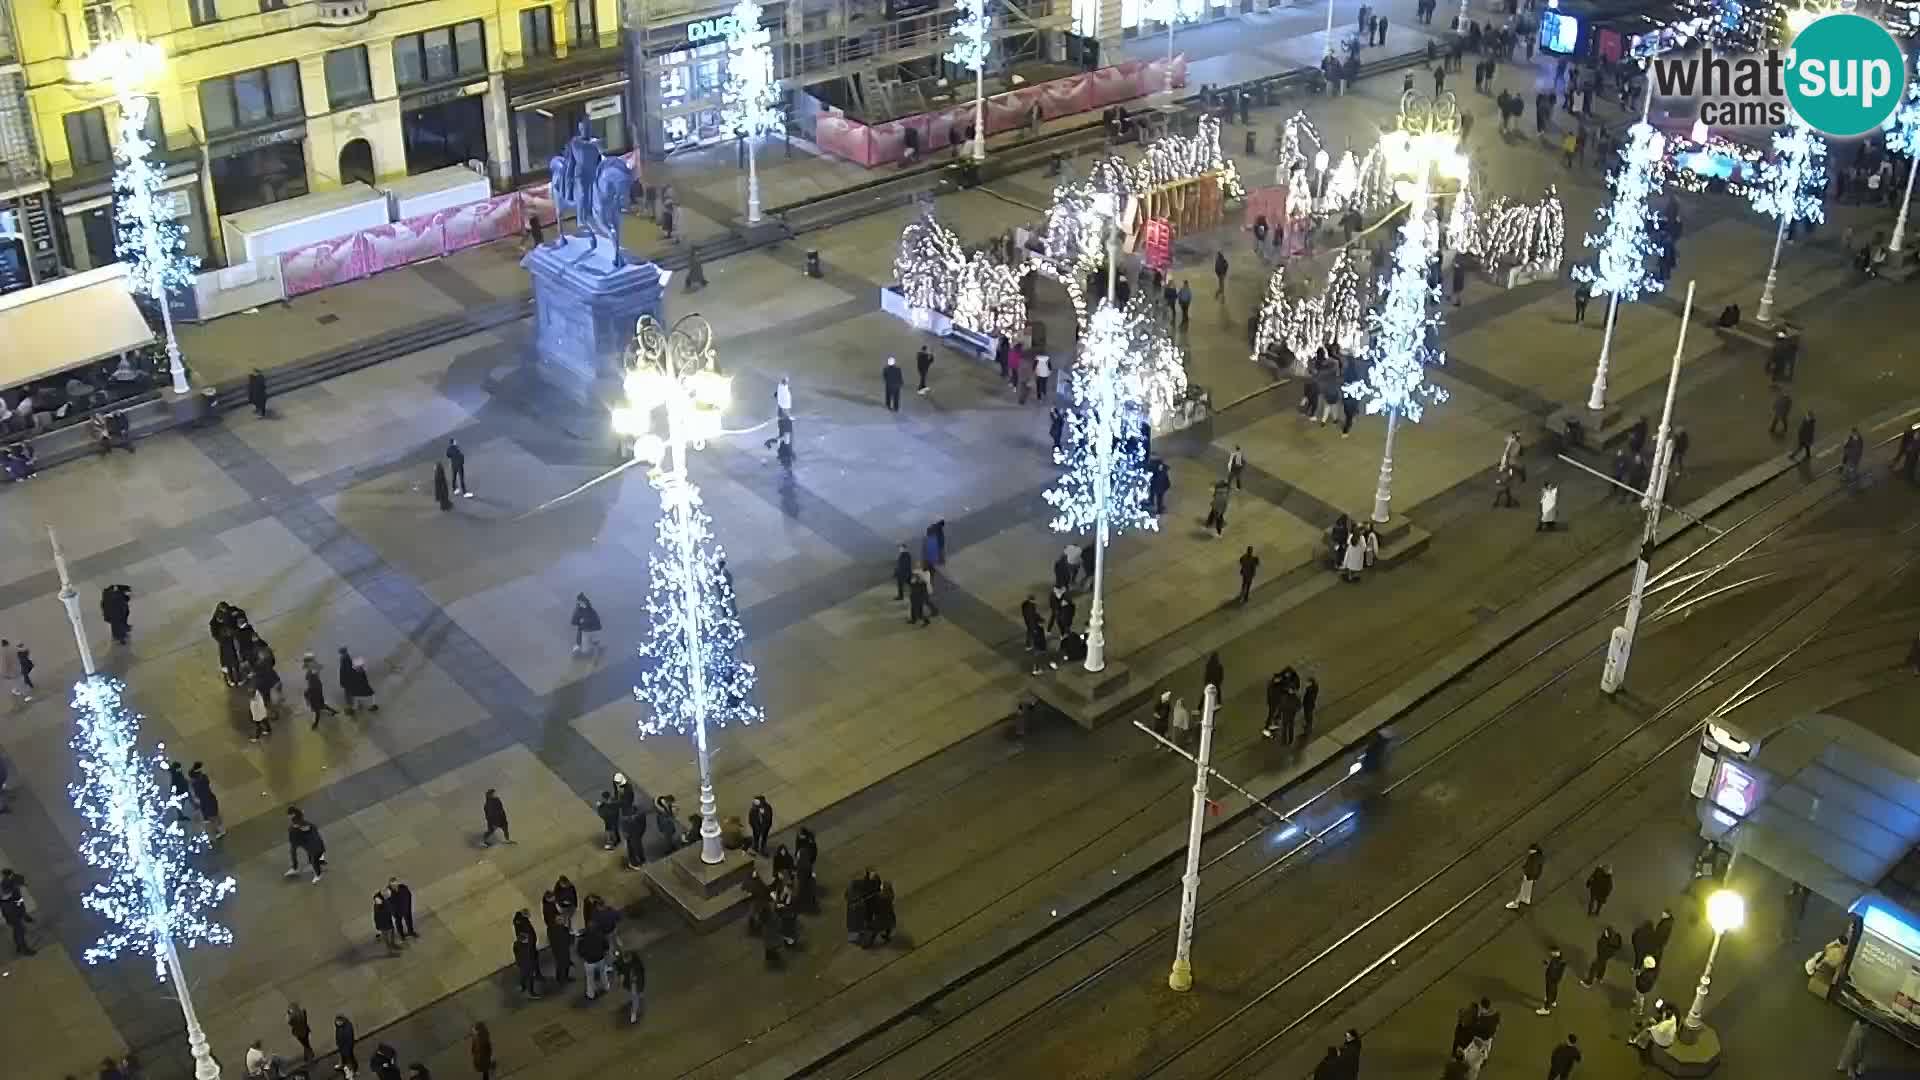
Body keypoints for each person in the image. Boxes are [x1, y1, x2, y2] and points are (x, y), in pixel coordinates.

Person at [1505, 843, 1543, 909]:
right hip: (1533, 876)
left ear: (1534, 850)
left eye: (1530, 850)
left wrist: (1526, 874)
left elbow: (1531, 867)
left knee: (1523, 889)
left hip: (1529, 875)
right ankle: (1527, 900)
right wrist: (1536, 877)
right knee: (1528, 888)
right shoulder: (1538, 857)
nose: (1529, 851)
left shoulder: (1533, 857)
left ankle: (1516, 903)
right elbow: (1539, 869)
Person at [1537, 945, 1567, 1014]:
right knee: (1554, 989)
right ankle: (1553, 1001)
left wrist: (1548, 968)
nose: (1550, 953)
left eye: (1552, 952)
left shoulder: (1556, 962)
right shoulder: (1560, 959)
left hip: (1552, 978)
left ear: (1556, 952)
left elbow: (1553, 969)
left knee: (1549, 992)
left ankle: (1546, 1009)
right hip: (1555, 979)